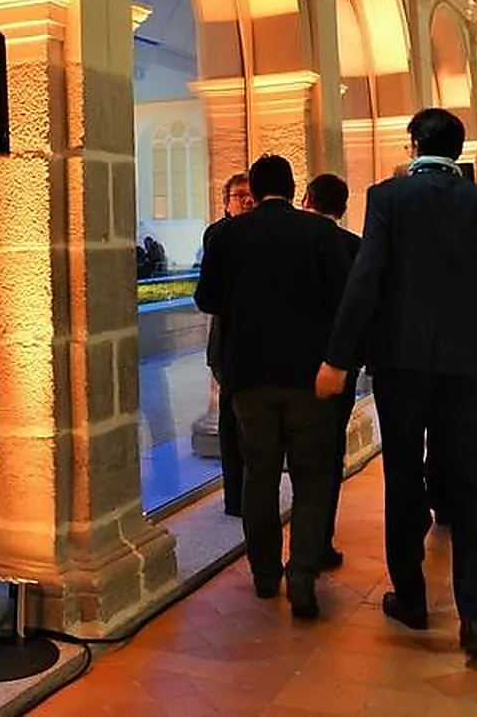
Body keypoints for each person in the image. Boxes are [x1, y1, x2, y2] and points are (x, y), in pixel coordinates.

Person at [318, 108, 477, 662]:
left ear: (413, 146)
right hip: (469, 368)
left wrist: (338, 359)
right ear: (459, 152)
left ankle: (411, 597)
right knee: (470, 486)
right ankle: (476, 617)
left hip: (402, 366)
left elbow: (365, 281)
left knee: (403, 476)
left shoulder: (387, 198)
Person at [195, 155, 351, 620]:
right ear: (292, 187)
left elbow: (206, 298)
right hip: (309, 377)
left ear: (256, 190)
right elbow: (345, 302)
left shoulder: (226, 235)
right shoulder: (321, 234)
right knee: (311, 476)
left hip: (248, 378)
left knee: (258, 477)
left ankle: (266, 576)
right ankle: (302, 576)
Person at [301, 172, 362, 570]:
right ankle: (318, 541)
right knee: (328, 454)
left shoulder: (290, 241)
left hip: (292, 364)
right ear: (343, 208)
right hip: (338, 363)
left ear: (306, 199)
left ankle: (273, 559)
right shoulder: (355, 247)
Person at [203, 172, 255, 517]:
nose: (247, 200)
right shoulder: (219, 234)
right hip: (229, 348)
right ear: (226, 203)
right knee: (230, 425)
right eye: (239, 196)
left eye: (252, 195)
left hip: (261, 348)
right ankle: (235, 497)